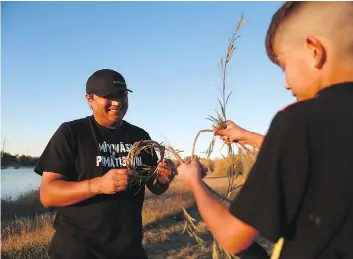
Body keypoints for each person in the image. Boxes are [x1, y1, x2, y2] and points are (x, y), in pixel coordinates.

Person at [176, 1, 353, 259]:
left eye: (284, 66)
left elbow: (233, 236)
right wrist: (247, 137)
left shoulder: (298, 120)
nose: (285, 83)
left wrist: (194, 181)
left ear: (314, 50)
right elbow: (320, 150)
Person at [34, 69, 176, 259]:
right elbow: (48, 195)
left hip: (129, 251)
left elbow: (155, 186)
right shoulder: (71, 133)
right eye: (108, 96)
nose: (117, 102)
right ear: (89, 99)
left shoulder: (140, 137)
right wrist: (99, 185)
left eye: (122, 94)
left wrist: (164, 179)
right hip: (76, 252)